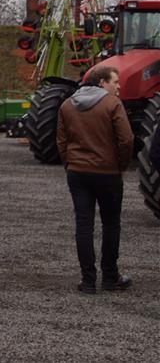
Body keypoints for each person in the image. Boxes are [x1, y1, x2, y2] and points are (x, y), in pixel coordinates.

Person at [56, 65, 134, 294]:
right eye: (115, 82)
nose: (118, 87)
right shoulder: (113, 104)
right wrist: (121, 165)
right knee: (111, 224)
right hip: (107, 173)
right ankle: (110, 277)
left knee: (83, 225)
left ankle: (88, 280)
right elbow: (127, 139)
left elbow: (61, 141)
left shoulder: (67, 105)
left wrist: (69, 163)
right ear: (101, 83)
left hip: (77, 172)